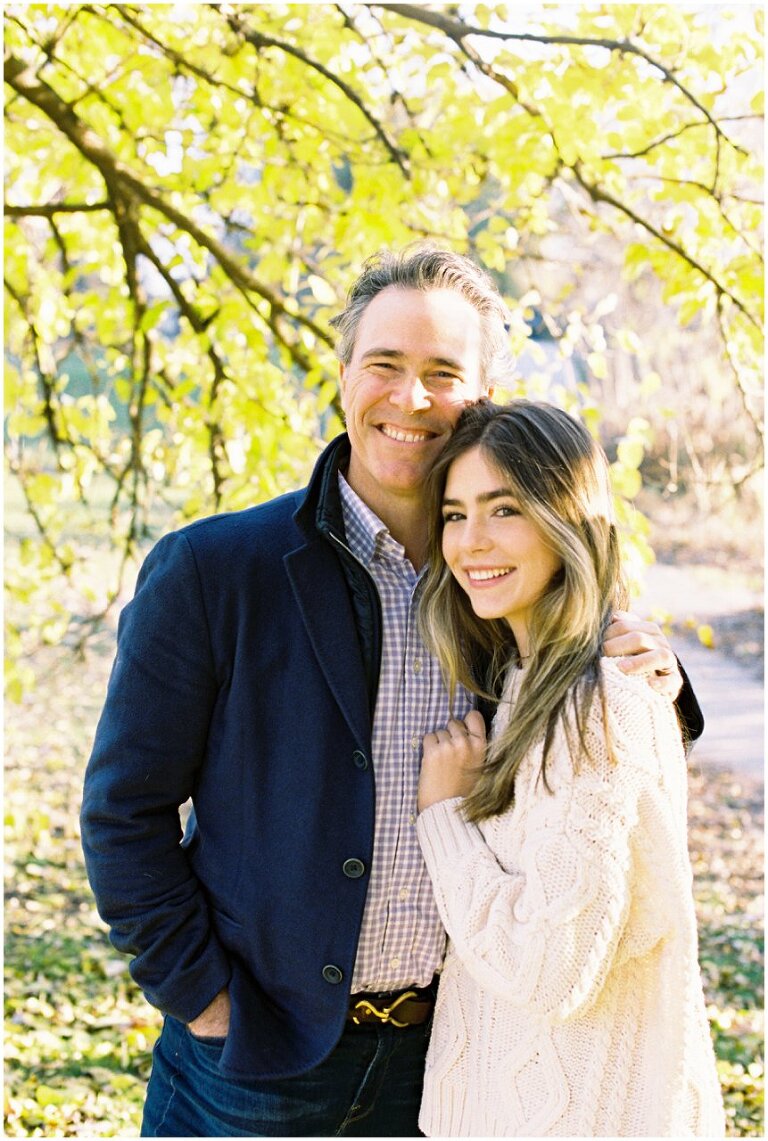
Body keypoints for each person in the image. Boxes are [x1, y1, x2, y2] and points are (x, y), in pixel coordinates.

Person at [80, 245, 702, 1138]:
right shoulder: (215, 572)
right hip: (254, 1065)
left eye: (443, 373)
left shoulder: (503, 580)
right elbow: (122, 812)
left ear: (484, 395)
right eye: (386, 365)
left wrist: (663, 684)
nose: (411, 399)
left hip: (446, 1063)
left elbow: (598, 766)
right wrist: (206, 998)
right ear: (343, 378)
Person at [416, 399, 724, 1137]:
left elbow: (549, 967)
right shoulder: (522, 681)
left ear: (567, 522)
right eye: (455, 515)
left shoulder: (599, 709)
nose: (471, 542)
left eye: (505, 509)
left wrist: (444, 820)